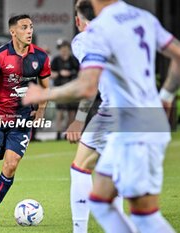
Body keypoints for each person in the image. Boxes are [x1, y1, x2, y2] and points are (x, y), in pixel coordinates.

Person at [23, 0, 180, 232]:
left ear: (79, 19)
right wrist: (166, 97)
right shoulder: (143, 17)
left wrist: (45, 94)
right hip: (150, 118)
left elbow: (87, 86)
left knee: (86, 171)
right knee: (102, 199)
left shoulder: (92, 34)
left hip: (118, 116)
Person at [0, 14, 51, 225]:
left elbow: (45, 89)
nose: (29, 31)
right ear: (13, 31)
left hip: (22, 121)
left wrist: (41, 110)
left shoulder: (40, 57)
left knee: (11, 165)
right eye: (24, 27)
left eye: (31, 27)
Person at [67, 1, 123, 232]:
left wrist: (80, 119)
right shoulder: (122, 32)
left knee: (80, 167)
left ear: (78, 20)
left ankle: (80, 230)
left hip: (114, 110)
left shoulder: (83, 40)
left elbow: (89, 81)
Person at [51, 39, 80, 140]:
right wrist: (60, 73)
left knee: (72, 112)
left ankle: (69, 133)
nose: (64, 51)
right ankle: (58, 134)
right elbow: (50, 74)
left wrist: (70, 73)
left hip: (72, 89)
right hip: (60, 88)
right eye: (62, 49)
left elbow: (80, 73)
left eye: (66, 48)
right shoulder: (56, 60)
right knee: (60, 112)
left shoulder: (73, 60)